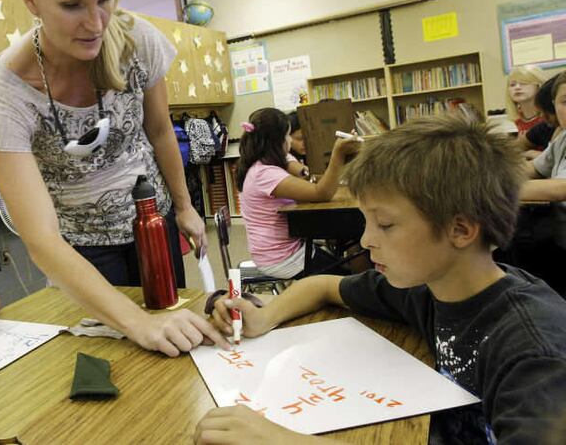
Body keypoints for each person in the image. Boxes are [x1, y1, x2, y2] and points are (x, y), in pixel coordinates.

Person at [197, 114, 566, 445]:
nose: (365, 240)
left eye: (385, 224)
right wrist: (264, 316)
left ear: (461, 229)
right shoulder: (430, 288)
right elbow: (323, 284)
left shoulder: (534, 352)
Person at [0, 0, 226, 356]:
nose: (96, 23)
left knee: (178, 341)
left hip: (152, 223)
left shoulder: (138, 42)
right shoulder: (3, 97)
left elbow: (160, 131)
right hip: (82, 251)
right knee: (116, 359)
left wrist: (185, 207)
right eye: (72, 5)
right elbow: (41, 238)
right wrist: (137, 324)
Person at [236, 108, 360, 279]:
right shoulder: (265, 174)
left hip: (284, 250)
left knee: (345, 257)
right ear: (277, 140)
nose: (289, 140)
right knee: (347, 277)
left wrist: (306, 172)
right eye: (287, 135)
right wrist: (338, 154)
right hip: (282, 258)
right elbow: (321, 193)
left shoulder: (262, 164)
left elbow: (294, 166)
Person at [517, 71, 566, 292]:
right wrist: (492, 173)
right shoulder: (563, 138)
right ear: (554, 106)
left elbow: (560, 188)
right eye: (565, 102)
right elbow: (533, 169)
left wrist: (493, 189)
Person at [519, 75, 560, 159]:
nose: (543, 116)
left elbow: (552, 161)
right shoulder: (545, 127)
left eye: (547, 112)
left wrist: (535, 155)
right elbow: (519, 146)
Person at [506, 65, 546, 135]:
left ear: (539, 86)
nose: (517, 87)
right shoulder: (516, 122)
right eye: (512, 85)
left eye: (524, 83)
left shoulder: (549, 119)